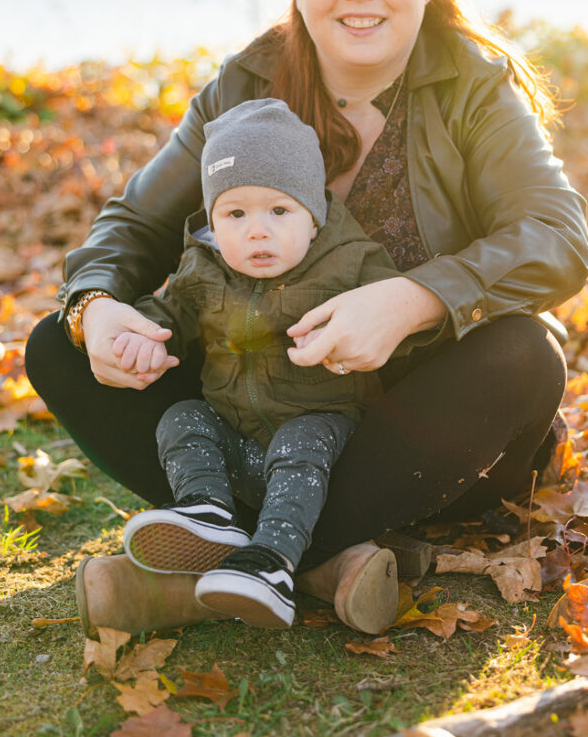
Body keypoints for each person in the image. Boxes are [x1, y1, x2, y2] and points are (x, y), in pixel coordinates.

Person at [26, 0, 588, 636]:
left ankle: (214, 575)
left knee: (525, 350)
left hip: (415, 433)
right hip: (254, 411)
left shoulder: (472, 87)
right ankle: (314, 558)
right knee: (55, 342)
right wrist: (95, 309)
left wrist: (414, 297)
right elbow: (131, 226)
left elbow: (558, 236)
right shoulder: (246, 85)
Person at [118, 97, 417, 628]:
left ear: (313, 215)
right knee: (181, 418)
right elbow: (165, 316)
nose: (258, 230)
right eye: (235, 214)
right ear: (213, 221)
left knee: (301, 439)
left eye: (279, 211)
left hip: (326, 446)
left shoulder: (351, 261)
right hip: (243, 448)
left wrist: (382, 332)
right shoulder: (202, 268)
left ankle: (272, 563)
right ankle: (208, 513)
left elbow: (401, 327)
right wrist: (142, 338)